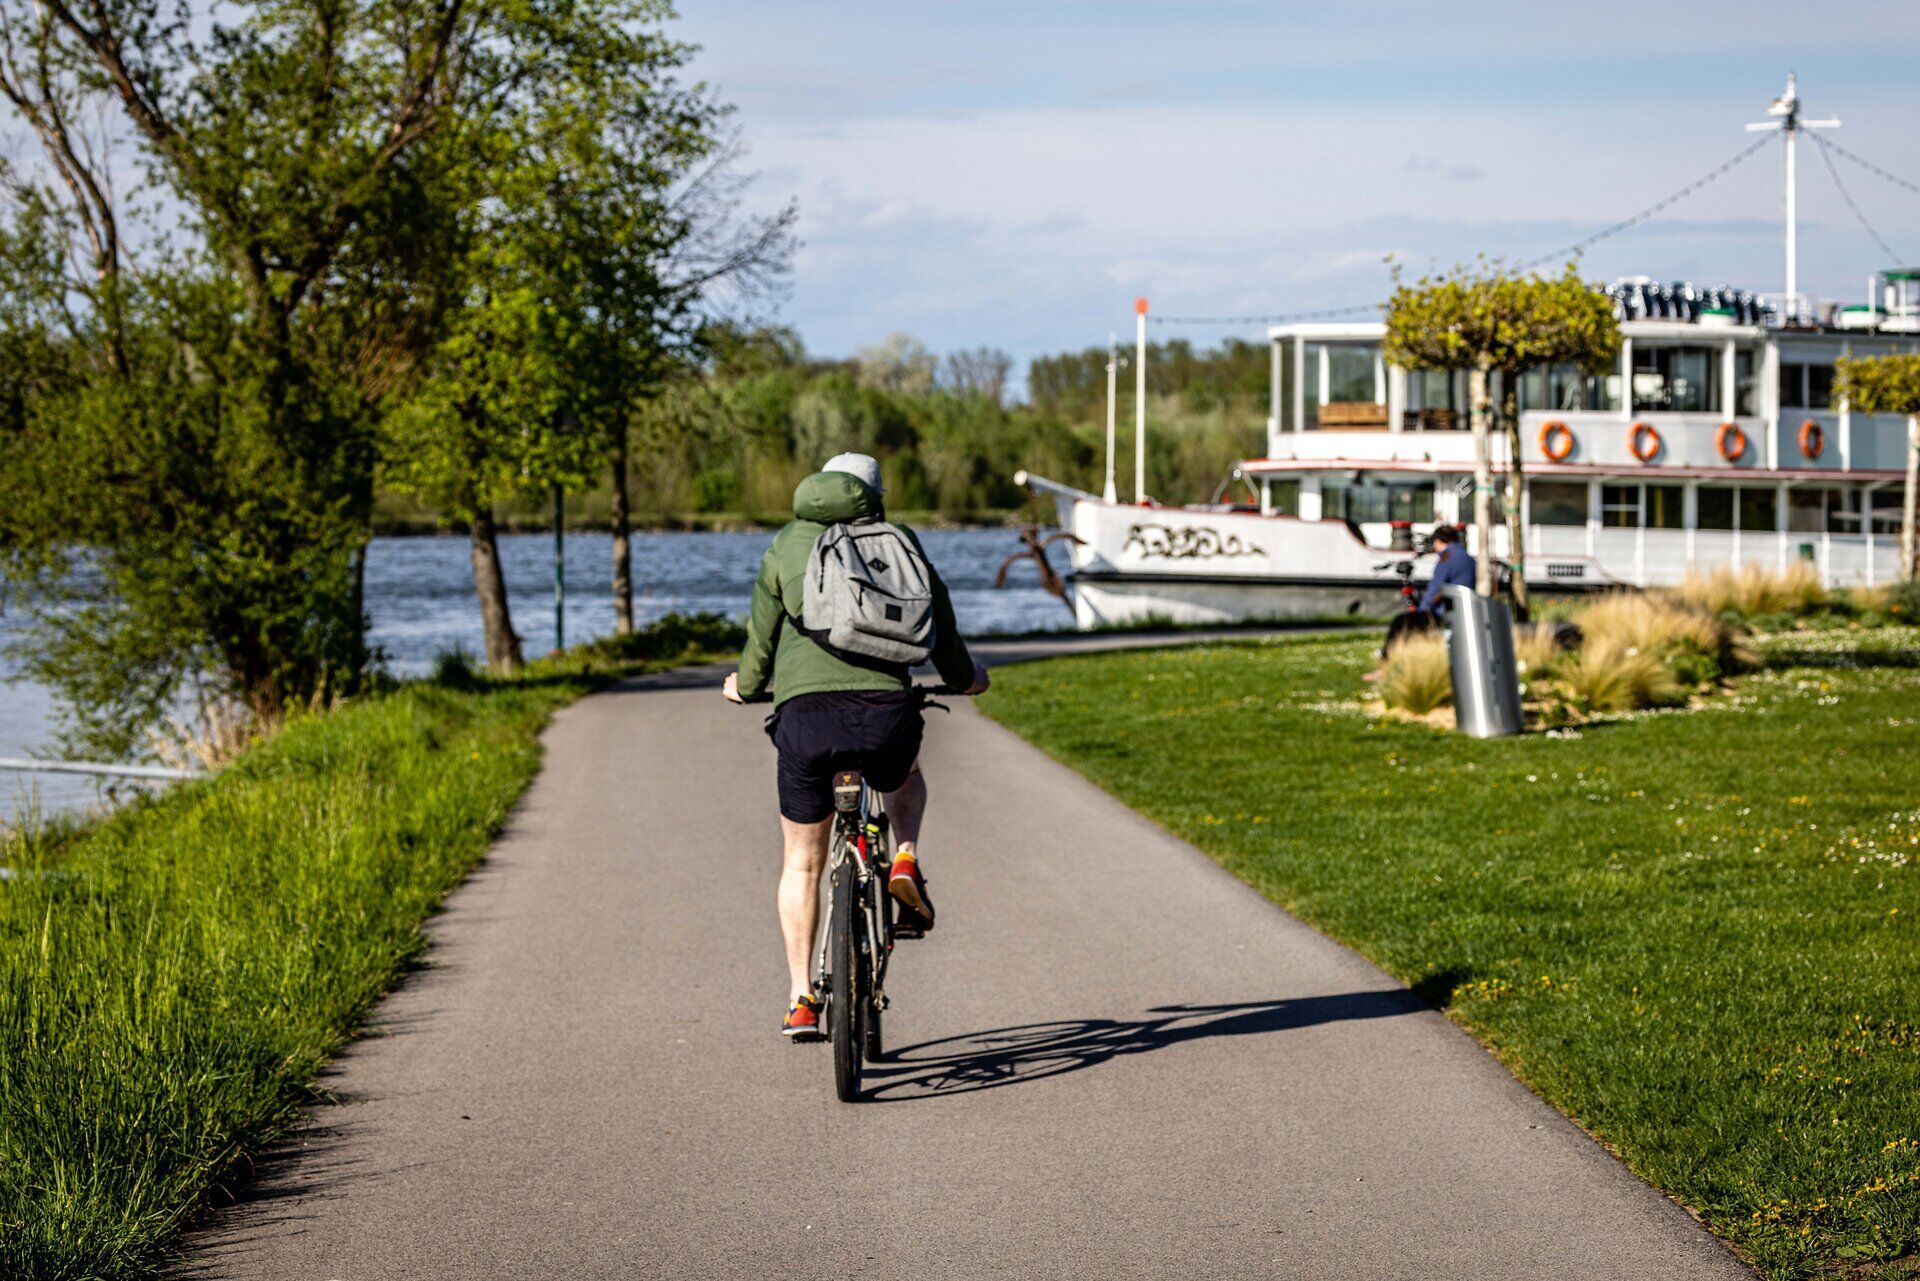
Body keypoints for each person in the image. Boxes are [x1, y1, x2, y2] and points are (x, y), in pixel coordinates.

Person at [722, 452, 988, 1041]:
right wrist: (967, 676)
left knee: (801, 861)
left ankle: (800, 999)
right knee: (905, 775)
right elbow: (939, 626)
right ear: (875, 495)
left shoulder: (786, 545)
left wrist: (742, 687)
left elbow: (759, 641)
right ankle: (906, 856)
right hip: (886, 716)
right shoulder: (900, 541)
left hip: (806, 721)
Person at [1419, 524, 1476, 613]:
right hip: (1468, 609)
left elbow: (1435, 589)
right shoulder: (1469, 558)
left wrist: (1421, 611)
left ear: (1438, 541)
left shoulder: (1447, 558)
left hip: (1448, 612)